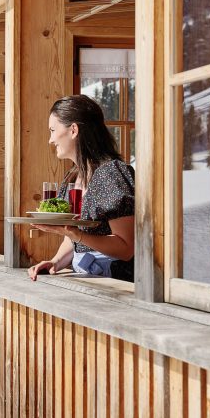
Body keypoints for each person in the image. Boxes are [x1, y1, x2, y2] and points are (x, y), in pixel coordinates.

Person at [28, 95, 135, 282]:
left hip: (116, 283)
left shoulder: (110, 174)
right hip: (87, 279)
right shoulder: (74, 176)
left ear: (73, 130)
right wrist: (56, 262)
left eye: (53, 130)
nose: (50, 140)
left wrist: (78, 235)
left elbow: (126, 248)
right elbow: (74, 238)